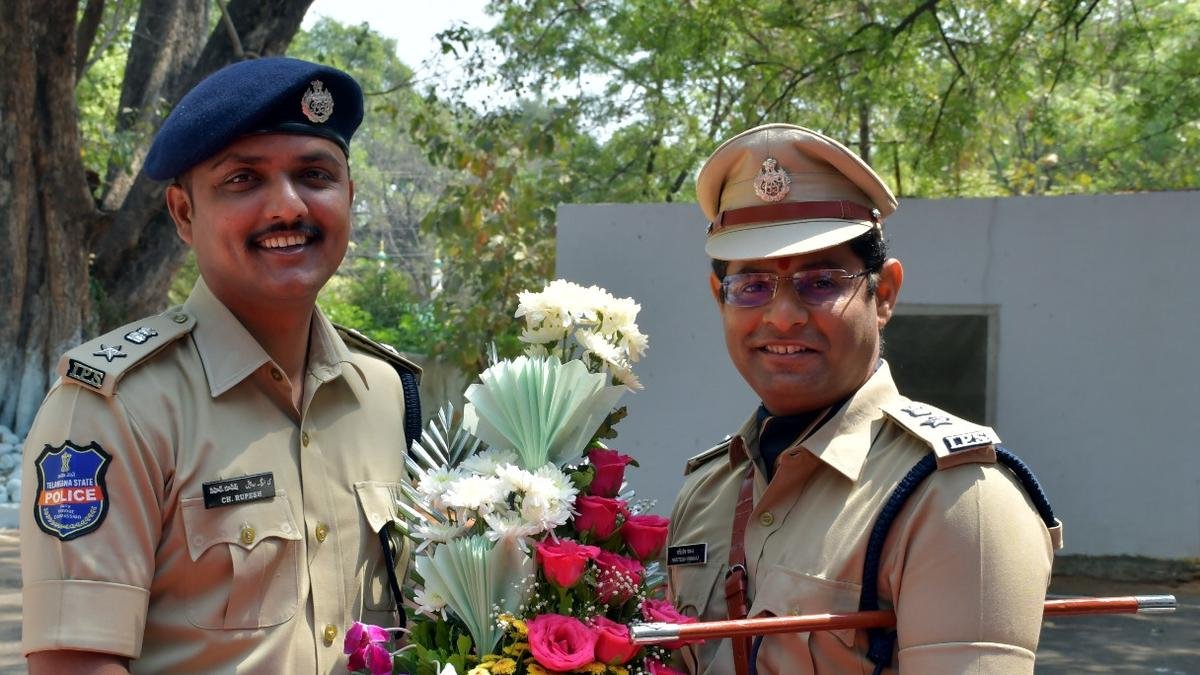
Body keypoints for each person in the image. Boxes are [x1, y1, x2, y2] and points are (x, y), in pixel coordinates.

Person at [20, 57, 421, 673]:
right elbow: (75, 660)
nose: (288, 206)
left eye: (315, 174)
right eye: (243, 180)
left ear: (349, 196)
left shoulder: (385, 393)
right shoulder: (115, 407)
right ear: (184, 214)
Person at [665, 123, 1063, 674]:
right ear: (720, 299)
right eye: (752, 285)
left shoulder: (955, 497)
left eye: (821, 281)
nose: (782, 314)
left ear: (884, 294)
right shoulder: (709, 491)